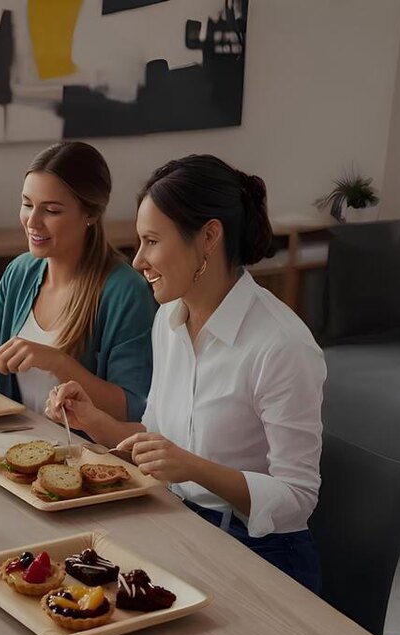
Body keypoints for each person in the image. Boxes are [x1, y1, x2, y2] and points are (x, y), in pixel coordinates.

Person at [47, 155, 325, 592]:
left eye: (152, 241)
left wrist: (193, 468)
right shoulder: (169, 319)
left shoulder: (282, 347)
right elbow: (160, 440)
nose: (138, 260)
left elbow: (296, 501)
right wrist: (94, 423)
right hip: (182, 524)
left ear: (209, 237)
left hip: (263, 554)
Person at [0, 142, 155, 421]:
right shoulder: (21, 271)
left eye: (52, 210)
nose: (32, 221)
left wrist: (58, 362)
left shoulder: (126, 292)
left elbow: (131, 408)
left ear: (91, 214)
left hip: (83, 456)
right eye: (27, 204)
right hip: (14, 446)